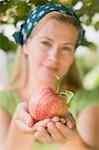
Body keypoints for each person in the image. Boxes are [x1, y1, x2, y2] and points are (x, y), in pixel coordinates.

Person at [0, 3, 99, 150]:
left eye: (66, 48)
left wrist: (70, 140)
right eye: (45, 43)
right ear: (26, 45)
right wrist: (20, 130)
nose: (54, 56)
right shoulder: (3, 103)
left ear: (73, 55)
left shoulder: (89, 102)